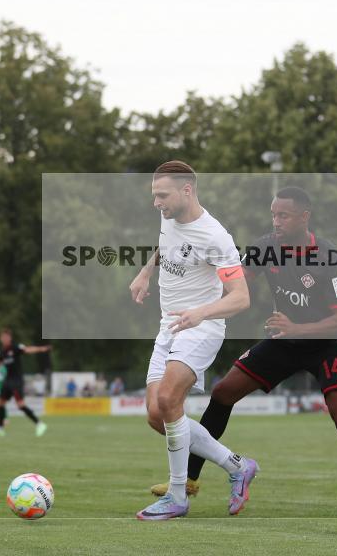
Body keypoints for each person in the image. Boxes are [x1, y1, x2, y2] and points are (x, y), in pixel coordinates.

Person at [148, 186, 337, 516]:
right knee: (224, 392)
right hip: (284, 342)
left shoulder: (328, 257)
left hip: (325, 346)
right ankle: (189, 480)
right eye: (273, 214)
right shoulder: (265, 247)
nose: (276, 221)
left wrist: (297, 329)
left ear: (305, 217)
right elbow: (235, 282)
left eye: (283, 215)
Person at [129, 160, 255, 521]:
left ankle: (177, 495)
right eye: (154, 195)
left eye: (163, 195)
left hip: (201, 328)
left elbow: (240, 298)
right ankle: (237, 466)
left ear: (187, 190)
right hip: (169, 325)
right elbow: (164, 243)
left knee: (169, 399)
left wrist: (202, 312)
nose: (157, 203)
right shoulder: (169, 215)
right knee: (158, 415)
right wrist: (145, 271)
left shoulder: (215, 237)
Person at [0, 328, 50, 437]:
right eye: (2, 337)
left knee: (20, 405)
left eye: (6, 337)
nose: (4, 339)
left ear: (10, 338)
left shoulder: (15, 348)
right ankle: (0, 429)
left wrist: (41, 349)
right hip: (8, 380)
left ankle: (40, 424)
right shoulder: (3, 351)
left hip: (16, 381)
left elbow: (28, 349)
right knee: (1, 403)